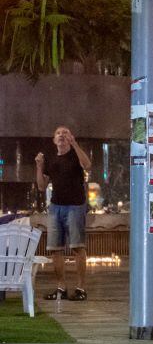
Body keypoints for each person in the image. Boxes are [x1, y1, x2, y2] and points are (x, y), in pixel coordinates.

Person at [36, 126, 91, 301]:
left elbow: (87, 165)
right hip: (55, 207)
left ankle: (81, 288)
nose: (61, 135)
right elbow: (41, 186)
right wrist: (39, 166)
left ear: (70, 137)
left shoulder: (76, 154)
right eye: (58, 133)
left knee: (77, 246)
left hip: (75, 205)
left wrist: (75, 143)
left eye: (65, 133)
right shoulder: (51, 159)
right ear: (54, 140)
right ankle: (61, 288)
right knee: (55, 249)